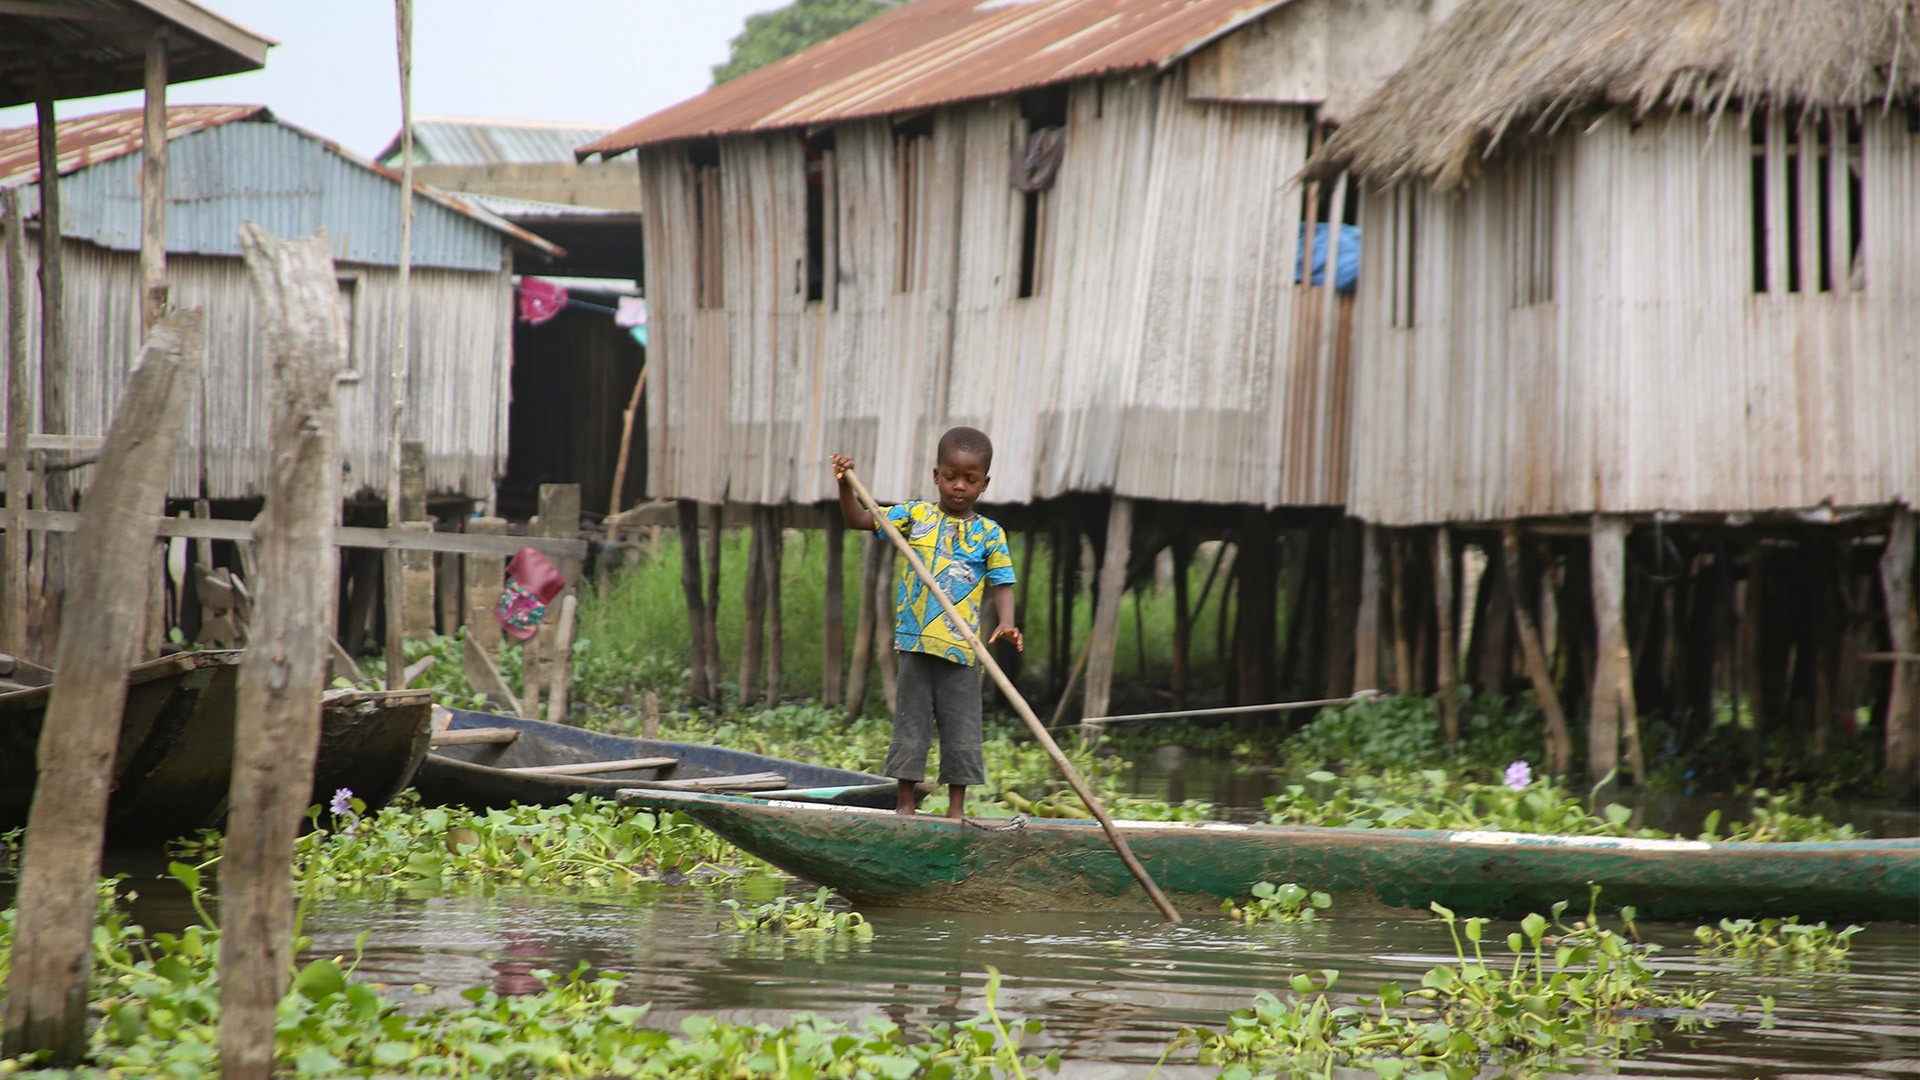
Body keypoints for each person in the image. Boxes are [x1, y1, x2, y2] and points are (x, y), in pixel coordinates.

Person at [830, 427, 1022, 819]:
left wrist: (1007, 622)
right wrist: (845, 485)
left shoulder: (989, 534)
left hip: (961, 649)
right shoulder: (915, 516)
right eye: (951, 477)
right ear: (936, 476)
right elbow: (857, 520)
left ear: (984, 484)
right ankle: (905, 808)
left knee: (962, 730)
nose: (959, 486)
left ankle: (956, 813)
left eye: (970, 480)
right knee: (911, 726)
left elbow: (1002, 582)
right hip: (915, 645)